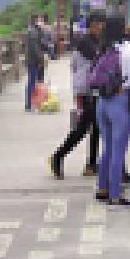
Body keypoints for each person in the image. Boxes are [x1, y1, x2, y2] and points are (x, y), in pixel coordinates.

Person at [92, 15, 130, 207]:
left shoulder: (103, 48)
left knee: (107, 147)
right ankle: (115, 194)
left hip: (102, 102)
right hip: (120, 101)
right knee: (119, 150)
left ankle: (102, 188)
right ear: (122, 28)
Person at [50, 10, 106, 178]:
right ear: (92, 25)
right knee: (81, 129)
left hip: (93, 90)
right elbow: (99, 59)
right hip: (84, 91)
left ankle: (91, 164)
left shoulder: (95, 40)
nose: (102, 27)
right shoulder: (85, 42)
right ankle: (57, 156)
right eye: (99, 24)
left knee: (96, 128)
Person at [25, 14, 47, 112]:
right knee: (32, 82)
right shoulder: (34, 32)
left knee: (32, 81)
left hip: (32, 59)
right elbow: (35, 48)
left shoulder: (34, 30)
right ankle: (30, 104)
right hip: (33, 60)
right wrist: (40, 60)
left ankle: (31, 103)